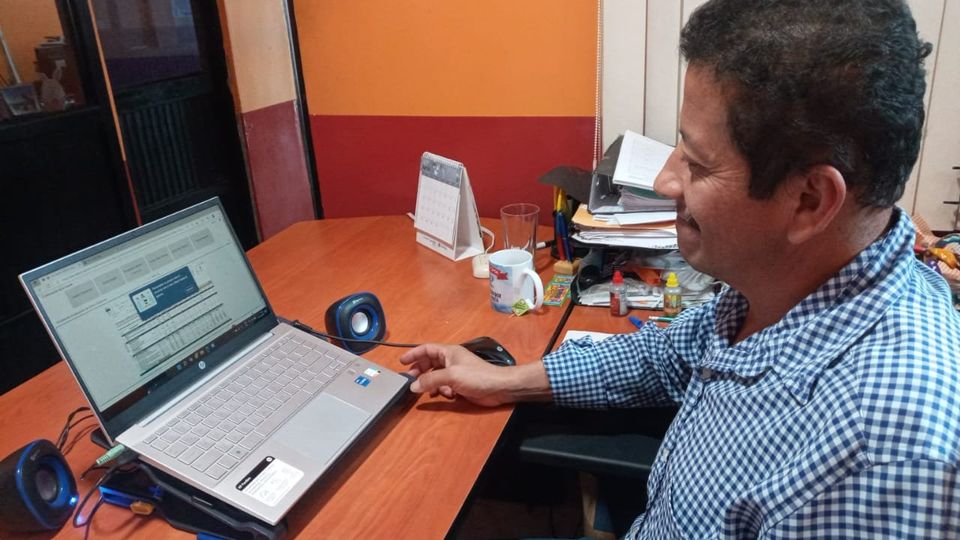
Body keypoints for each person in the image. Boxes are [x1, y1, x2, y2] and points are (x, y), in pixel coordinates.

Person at [401, 0, 960, 537]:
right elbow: (664, 354)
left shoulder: (882, 455)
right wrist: (504, 380)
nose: (667, 181)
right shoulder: (779, 287)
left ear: (809, 201)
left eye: (697, 162)